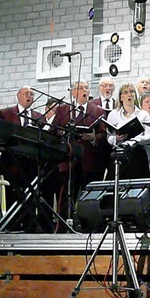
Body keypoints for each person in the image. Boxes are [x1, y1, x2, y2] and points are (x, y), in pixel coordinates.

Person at [52, 81, 108, 220]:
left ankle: (89, 224)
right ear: (73, 92)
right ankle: (63, 223)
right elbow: (53, 130)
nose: (84, 90)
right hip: (68, 160)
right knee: (66, 194)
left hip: (89, 161)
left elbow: (103, 134)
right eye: (80, 88)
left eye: (86, 88)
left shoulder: (98, 111)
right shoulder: (63, 110)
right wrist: (62, 133)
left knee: (89, 196)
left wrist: (94, 137)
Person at [0, 86, 45, 230]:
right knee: (13, 201)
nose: (29, 96)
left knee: (30, 202)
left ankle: (29, 233)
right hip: (12, 165)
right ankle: (12, 230)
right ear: (18, 96)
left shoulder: (39, 117)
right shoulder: (5, 113)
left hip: (31, 166)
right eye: (26, 93)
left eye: (32, 94)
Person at [105, 83, 150, 180]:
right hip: (119, 154)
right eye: (126, 92)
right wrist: (116, 138)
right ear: (121, 97)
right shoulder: (113, 114)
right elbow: (109, 137)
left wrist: (136, 140)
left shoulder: (143, 114)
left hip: (137, 154)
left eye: (132, 92)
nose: (129, 94)